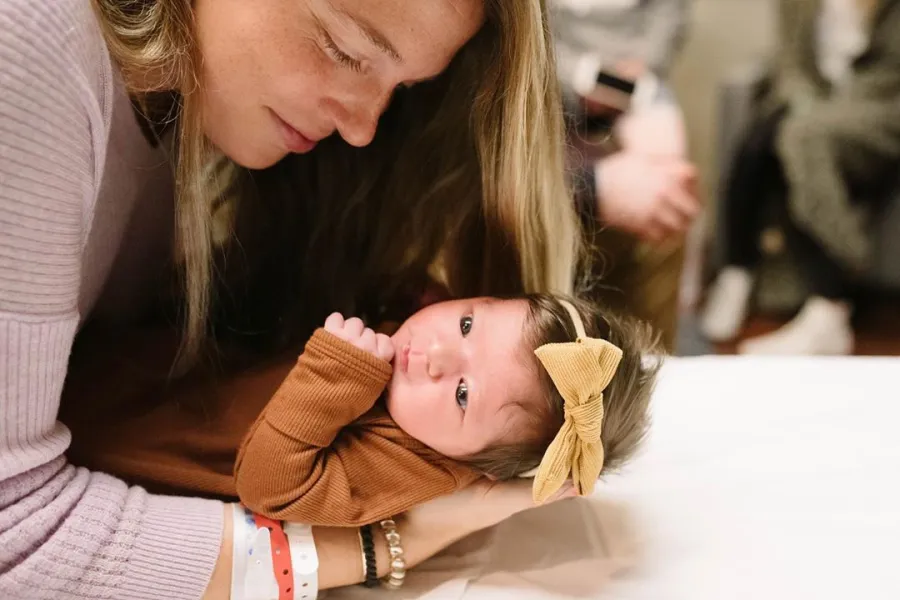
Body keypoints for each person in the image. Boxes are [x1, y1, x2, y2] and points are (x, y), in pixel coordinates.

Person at [0, 0, 590, 597]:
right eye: (345, 50)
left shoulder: (189, 100)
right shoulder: (29, 34)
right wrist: (388, 542)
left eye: (404, 87)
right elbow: (14, 540)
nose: (363, 128)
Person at [701, 0, 900, 355]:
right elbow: (791, 63)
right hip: (814, 99)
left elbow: (890, 79)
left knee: (801, 139)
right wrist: (807, 102)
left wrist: (825, 113)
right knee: (762, 136)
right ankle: (738, 272)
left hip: (877, 108)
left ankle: (832, 294)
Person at [549, 0, 701, 351]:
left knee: (670, 182)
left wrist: (640, 68)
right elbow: (537, 33)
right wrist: (577, 82)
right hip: (560, 78)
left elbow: (669, 18)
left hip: (640, 79)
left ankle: (674, 320)